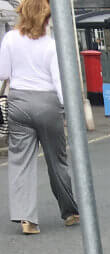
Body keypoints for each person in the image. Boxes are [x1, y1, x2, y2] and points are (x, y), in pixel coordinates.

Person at [0, 0, 79, 235]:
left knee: (20, 161)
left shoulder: (10, 39)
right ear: (46, 17)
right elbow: (59, 80)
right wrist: (69, 111)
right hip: (47, 103)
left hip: (19, 102)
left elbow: (3, 73)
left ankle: (27, 219)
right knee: (57, 161)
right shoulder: (53, 45)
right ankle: (70, 212)